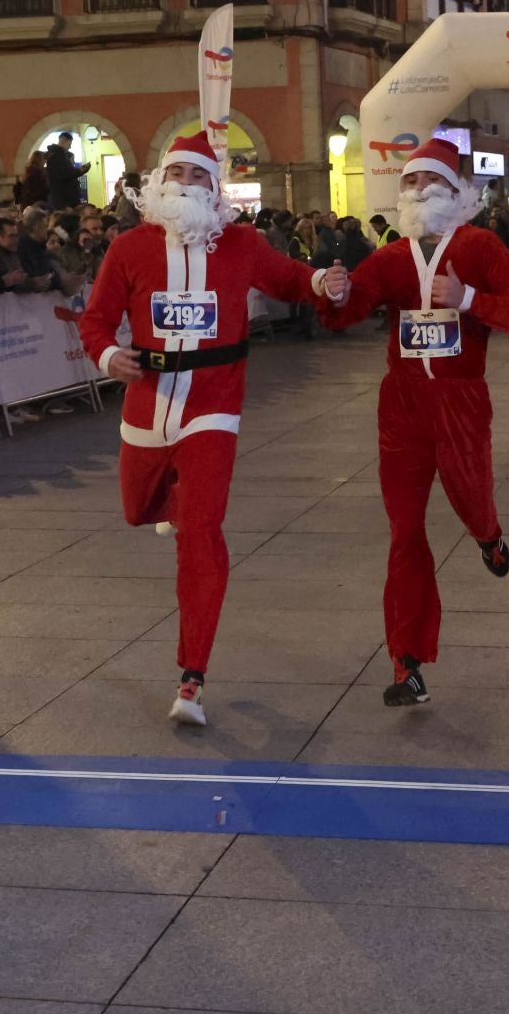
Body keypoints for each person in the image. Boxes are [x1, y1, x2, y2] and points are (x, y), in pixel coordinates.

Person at [77, 132, 346, 727]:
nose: (184, 183)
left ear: (214, 187)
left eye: (196, 175)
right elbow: (95, 319)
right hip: (147, 405)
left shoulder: (241, 243)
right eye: (174, 172)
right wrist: (106, 356)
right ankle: (174, 500)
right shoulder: (129, 248)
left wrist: (323, 283)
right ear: (157, 183)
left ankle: (191, 678)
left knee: (201, 535)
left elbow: (290, 279)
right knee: (135, 509)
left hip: (214, 408)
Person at [318, 139, 509, 708]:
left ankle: (488, 534)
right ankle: (407, 663)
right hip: (403, 405)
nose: (417, 191)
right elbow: (348, 310)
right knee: (404, 531)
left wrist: (468, 298)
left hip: (461, 400)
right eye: (409, 184)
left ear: (453, 190)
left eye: (428, 182)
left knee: (471, 497)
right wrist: (335, 292)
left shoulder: (481, 246)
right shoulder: (392, 256)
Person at [46, 132, 89, 210]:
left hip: (62, 197)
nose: (70, 146)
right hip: (64, 198)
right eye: (70, 143)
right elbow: (64, 174)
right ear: (64, 141)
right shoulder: (58, 156)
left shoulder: (55, 155)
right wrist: (80, 171)